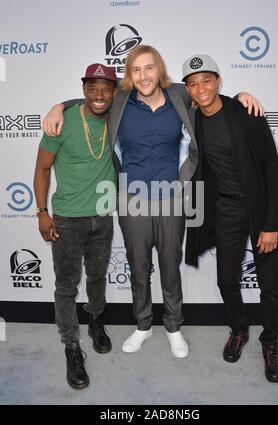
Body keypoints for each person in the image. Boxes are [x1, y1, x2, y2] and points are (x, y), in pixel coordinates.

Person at [42, 45, 263, 359]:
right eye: (135, 69)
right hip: (131, 199)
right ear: (129, 75)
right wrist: (57, 106)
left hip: (172, 198)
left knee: (170, 267)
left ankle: (173, 327)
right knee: (139, 267)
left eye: (149, 68)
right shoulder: (119, 100)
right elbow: (92, 98)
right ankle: (143, 324)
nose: (143, 75)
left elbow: (209, 97)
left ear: (159, 70)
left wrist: (242, 95)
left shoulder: (179, 96)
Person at [183, 54, 278, 382]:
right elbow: (142, 91)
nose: (201, 88)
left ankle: (270, 342)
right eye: (193, 83)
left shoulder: (246, 113)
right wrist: (63, 105)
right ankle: (239, 330)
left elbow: (272, 168)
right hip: (225, 210)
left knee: (270, 284)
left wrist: (270, 222)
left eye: (206, 80)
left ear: (218, 81)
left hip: (260, 209)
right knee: (226, 280)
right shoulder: (190, 118)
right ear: (187, 89)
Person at [33, 64, 117, 389]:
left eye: (105, 89)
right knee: (66, 285)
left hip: (103, 216)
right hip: (67, 218)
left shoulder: (118, 117)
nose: (99, 95)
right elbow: (42, 169)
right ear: (83, 90)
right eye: (92, 87)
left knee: (96, 276)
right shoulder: (61, 122)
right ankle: (71, 347)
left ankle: (96, 320)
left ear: (114, 92)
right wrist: (41, 212)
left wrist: (61, 101)